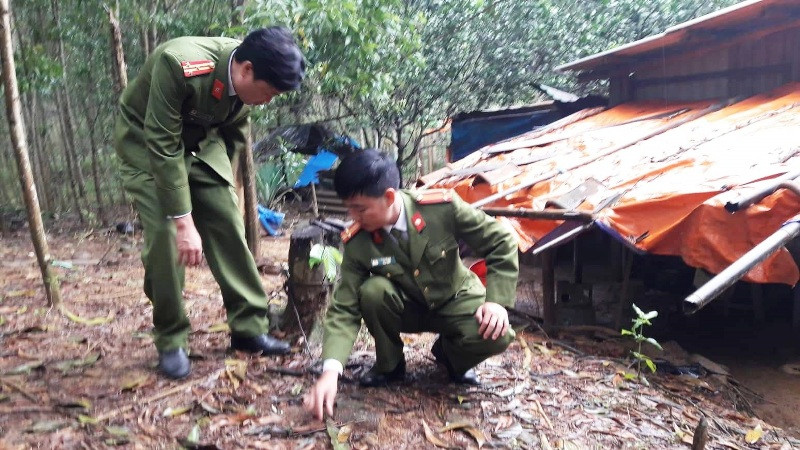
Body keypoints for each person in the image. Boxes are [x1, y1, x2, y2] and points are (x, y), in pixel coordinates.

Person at [114, 26, 305, 379]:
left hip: (202, 143)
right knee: (167, 238)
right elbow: (163, 144)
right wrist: (184, 221)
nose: (269, 101)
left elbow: (235, 134)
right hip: (148, 145)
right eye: (269, 92)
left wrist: (220, 188)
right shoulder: (180, 64)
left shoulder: (246, 82)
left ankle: (249, 327)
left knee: (226, 220)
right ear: (246, 70)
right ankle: (171, 339)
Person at [304, 149, 519, 420]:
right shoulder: (358, 242)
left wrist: (496, 302)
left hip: (455, 297)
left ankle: (451, 355)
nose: (353, 216)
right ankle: (390, 366)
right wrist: (330, 372)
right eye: (349, 208)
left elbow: (501, 241)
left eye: (360, 208)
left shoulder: (441, 208)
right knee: (372, 291)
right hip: (407, 307)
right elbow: (344, 308)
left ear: (389, 197)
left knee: (498, 333)